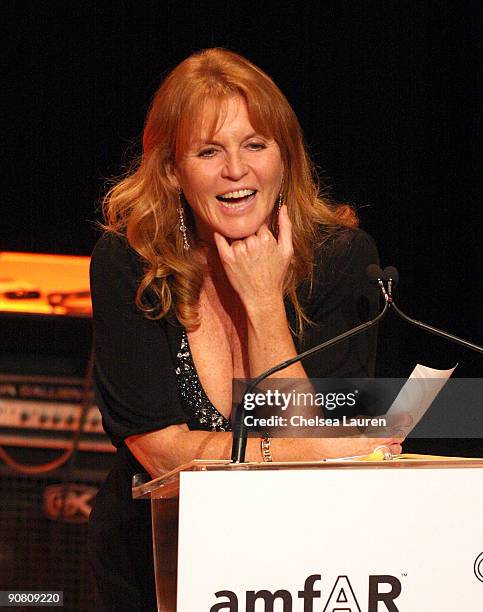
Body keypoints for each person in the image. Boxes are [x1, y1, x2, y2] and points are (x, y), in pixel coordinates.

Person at [88, 48, 404, 611]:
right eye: (209, 151)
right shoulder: (130, 263)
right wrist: (300, 452)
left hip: (300, 571)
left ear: (285, 158)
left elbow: (329, 448)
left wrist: (262, 305)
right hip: (155, 568)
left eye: (255, 144)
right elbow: (162, 454)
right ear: (171, 169)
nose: (237, 170)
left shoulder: (342, 261)